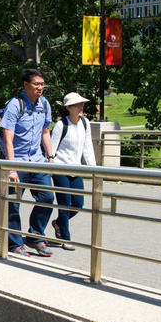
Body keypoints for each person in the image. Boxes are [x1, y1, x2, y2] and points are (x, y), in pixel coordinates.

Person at [0, 68, 55, 257]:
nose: (40, 88)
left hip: (37, 160)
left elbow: (45, 132)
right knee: (14, 203)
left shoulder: (45, 104)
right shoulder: (15, 105)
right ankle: (14, 243)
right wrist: (11, 167)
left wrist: (50, 158)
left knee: (47, 198)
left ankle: (35, 236)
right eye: (36, 84)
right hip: (17, 161)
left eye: (42, 84)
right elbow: (8, 138)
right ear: (26, 85)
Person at [49, 92, 96, 250]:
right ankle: (66, 238)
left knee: (78, 204)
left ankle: (58, 223)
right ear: (68, 107)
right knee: (65, 204)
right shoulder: (61, 126)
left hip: (76, 169)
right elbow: (52, 151)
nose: (81, 107)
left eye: (81, 104)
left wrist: (95, 170)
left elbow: (87, 147)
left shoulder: (85, 123)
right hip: (61, 169)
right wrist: (51, 170)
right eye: (77, 105)